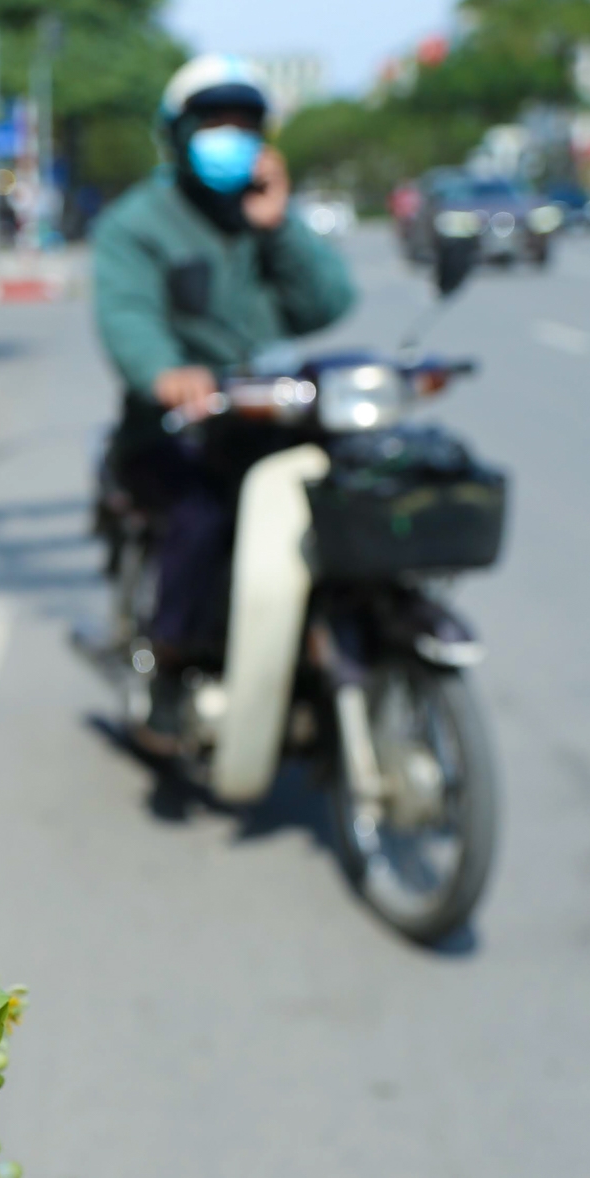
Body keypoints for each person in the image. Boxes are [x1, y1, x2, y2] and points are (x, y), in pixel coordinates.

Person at [91, 52, 357, 725]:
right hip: (176, 427)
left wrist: (279, 227)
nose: (229, 138)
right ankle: (171, 665)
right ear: (178, 133)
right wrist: (166, 373)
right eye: (214, 123)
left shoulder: (262, 220)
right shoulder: (136, 223)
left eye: (244, 125)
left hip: (270, 414)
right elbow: (127, 315)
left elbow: (327, 302)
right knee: (202, 515)